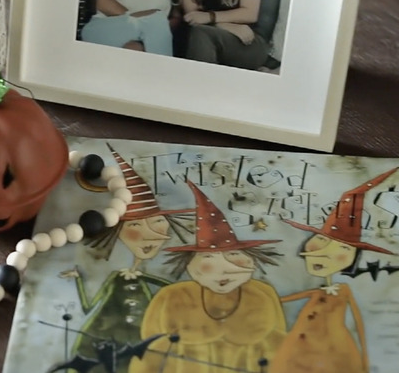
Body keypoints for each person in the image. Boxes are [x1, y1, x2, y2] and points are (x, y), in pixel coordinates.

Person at [57, 145, 194, 373]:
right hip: (97, 343)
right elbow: (90, 306)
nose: (150, 233)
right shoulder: (116, 278)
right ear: (116, 230)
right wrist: (78, 279)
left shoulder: (157, 285)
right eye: (135, 225)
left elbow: (173, 296)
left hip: (138, 347)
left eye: (157, 222)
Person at [129, 180, 286, 373]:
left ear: (251, 261)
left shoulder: (262, 295)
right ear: (191, 265)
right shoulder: (172, 297)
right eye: (209, 258)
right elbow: (148, 348)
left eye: (233, 256)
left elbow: (280, 347)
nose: (222, 270)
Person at [270, 168, 399, 373]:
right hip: (299, 348)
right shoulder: (318, 291)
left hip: (332, 351)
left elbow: (358, 323)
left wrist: (364, 359)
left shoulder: (344, 291)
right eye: (322, 241)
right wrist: (265, 298)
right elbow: (284, 300)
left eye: (343, 248)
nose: (325, 254)